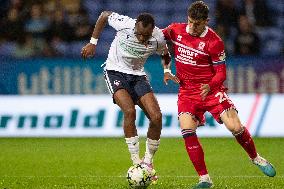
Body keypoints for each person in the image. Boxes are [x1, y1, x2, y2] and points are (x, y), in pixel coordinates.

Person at [161, 1, 276, 188]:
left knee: (235, 127)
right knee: (187, 130)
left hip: (211, 90)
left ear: (207, 21)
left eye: (197, 23)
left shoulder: (214, 42)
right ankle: (204, 179)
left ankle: (255, 158)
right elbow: (157, 40)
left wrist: (210, 84)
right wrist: (166, 68)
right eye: (190, 21)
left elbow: (221, 73)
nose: (193, 27)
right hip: (187, 92)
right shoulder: (175, 30)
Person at [81, 11, 173, 175]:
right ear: (135, 25)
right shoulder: (125, 23)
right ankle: (136, 162)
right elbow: (103, 16)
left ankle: (148, 162)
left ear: (152, 31)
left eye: (146, 36)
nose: (142, 39)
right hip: (115, 72)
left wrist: (166, 70)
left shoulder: (158, 36)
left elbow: (165, 53)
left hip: (137, 76)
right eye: (140, 34)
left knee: (157, 117)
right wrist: (93, 43)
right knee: (129, 111)